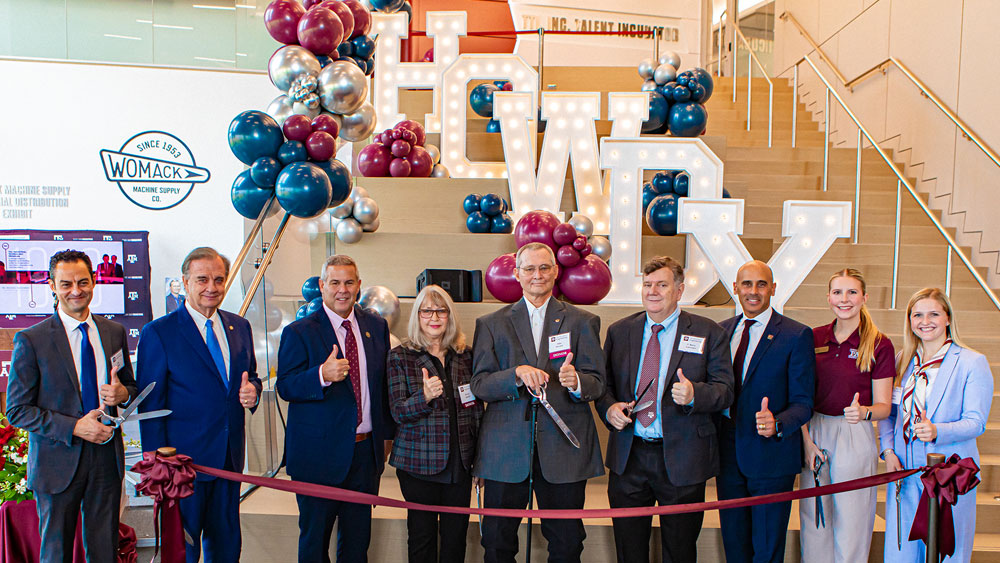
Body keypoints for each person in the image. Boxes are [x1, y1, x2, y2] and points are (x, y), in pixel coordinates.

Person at [471, 241, 606, 563]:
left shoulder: (582, 321)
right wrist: (515, 374)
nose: (537, 275)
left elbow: (597, 383)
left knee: (567, 543)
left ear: (556, 272)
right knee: (497, 542)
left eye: (544, 267)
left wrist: (577, 383)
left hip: (563, 451)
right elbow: (479, 385)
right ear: (516, 274)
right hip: (505, 452)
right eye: (529, 269)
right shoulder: (490, 323)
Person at [597, 256, 734, 563]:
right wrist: (610, 409)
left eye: (662, 284)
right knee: (629, 551)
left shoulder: (707, 332)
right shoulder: (620, 331)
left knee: (680, 551)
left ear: (680, 290)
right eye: (647, 285)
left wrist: (694, 394)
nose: (653, 291)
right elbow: (602, 387)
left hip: (683, 459)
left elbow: (725, 391)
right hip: (629, 457)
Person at [6, 249, 138, 563]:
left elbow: (130, 388)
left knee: (104, 550)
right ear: (52, 286)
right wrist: (76, 426)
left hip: (106, 459)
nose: (75, 290)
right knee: (56, 553)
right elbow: (17, 409)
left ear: (94, 282)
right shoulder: (32, 340)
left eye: (82, 282)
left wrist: (123, 394)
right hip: (57, 461)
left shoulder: (113, 332)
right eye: (66, 284)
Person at [137, 247, 262, 563]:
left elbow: (252, 379)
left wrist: (253, 393)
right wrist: (157, 467)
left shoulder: (240, 327)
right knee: (184, 551)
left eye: (219, 279)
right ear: (185, 282)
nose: (212, 287)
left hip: (229, 461)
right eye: (202, 279)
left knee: (227, 548)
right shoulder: (159, 332)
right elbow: (151, 406)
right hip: (182, 468)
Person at [276, 254, 393, 563]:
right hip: (318, 457)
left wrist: (386, 440)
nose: (342, 290)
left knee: (357, 546)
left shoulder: (376, 326)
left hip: (364, 455)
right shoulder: (299, 331)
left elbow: (382, 388)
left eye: (349, 282)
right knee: (315, 544)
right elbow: (285, 386)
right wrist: (320, 376)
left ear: (359, 285)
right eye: (335, 282)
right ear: (321, 286)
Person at [881, 288, 993, 562]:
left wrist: (937, 431)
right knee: (902, 550)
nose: (925, 321)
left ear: (947, 318)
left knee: (946, 550)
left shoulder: (971, 362)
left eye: (933, 314)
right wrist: (888, 451)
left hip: (949, 469)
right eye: (917, 314)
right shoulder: (902, 361)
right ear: (909, 320)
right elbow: (890, 414)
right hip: (905, 468)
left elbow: (976, 422)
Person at [717, 260, 815, 563]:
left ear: (773, 288)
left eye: (761, 284)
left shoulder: (796, 335)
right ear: (735, 288)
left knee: (767, 549)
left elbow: (804, 402)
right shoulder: (720, 333)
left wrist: (778, 423)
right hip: (727, 456)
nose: (753, 291)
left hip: (771, 458)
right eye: (746, 284)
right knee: (734, 546)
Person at [798, 269, 894, 563]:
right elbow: (799, 394)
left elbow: (884, 407)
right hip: (814, 430)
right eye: (838, 292)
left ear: (864, 297)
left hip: (854, 431)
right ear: (828, 298)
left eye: (852, 292)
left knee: (852, 520)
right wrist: (806, 441)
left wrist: (864, 412)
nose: (845, 299)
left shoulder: (879, 344)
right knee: (814, 517)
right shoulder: (811, 338)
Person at [388, 284, 483, 563]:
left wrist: (480, 460)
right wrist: (424, 397)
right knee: (421, 538)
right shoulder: (401, 356)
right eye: (427, 310)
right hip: (418, 465)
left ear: (450, 316)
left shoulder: (466, 355)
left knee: (456, 538)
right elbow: (397, 412)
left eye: (441, 310)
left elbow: (477, 411)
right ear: (417, 316)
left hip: (461, 464)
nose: (434, 317)